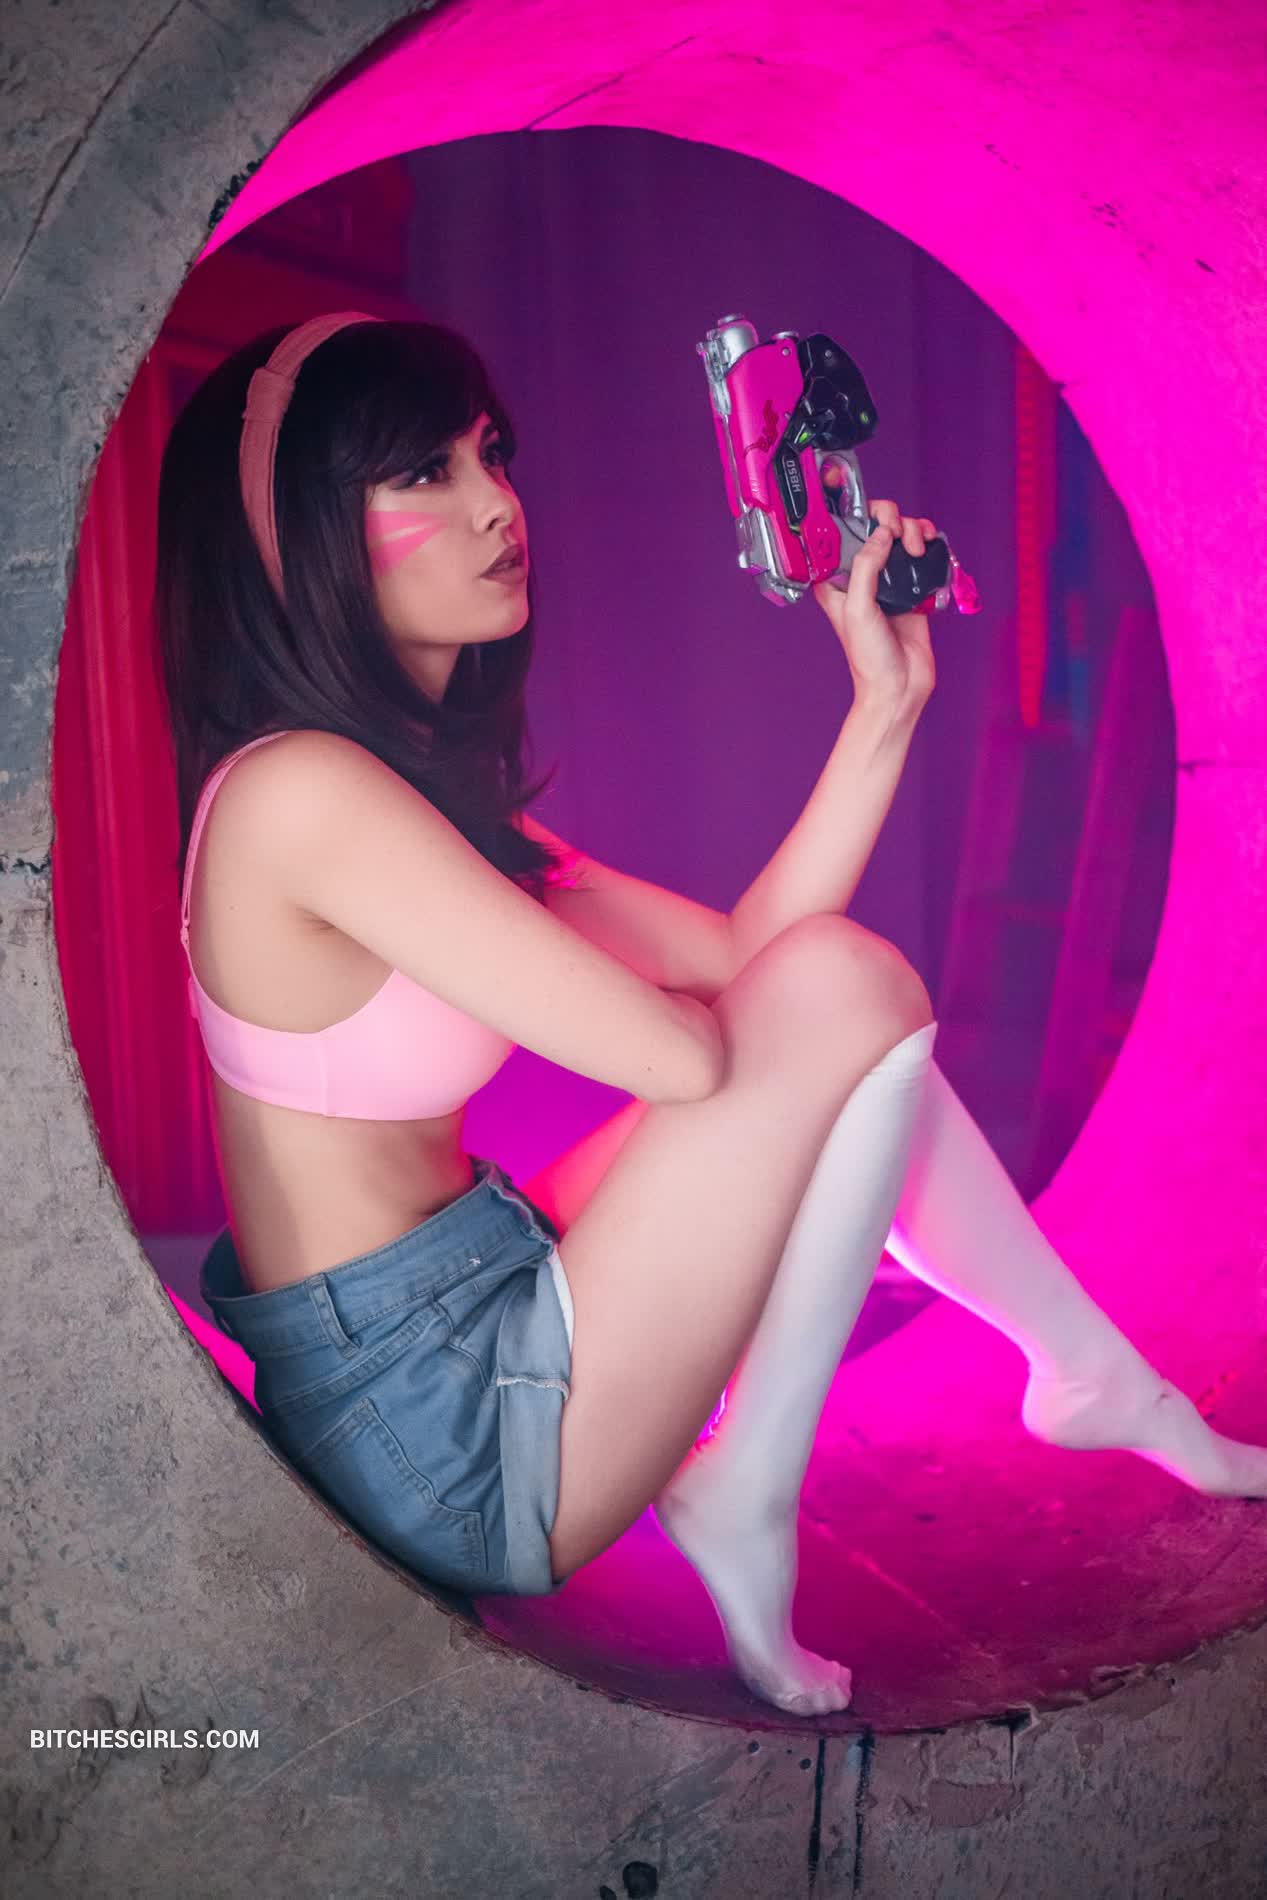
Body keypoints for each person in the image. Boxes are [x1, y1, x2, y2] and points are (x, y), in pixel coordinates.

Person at [157, 312, 1267, 1719]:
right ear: (296, 536)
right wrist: (769, 1020)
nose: (496, 504)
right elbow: (693, 1051)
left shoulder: (404, 798)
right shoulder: (299, 795)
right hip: (440, 1435)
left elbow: (743, 951)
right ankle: (756, 1479)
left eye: (490, 453)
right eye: (424, 473)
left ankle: (1089, 1374)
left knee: (850, 1034)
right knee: (842, 997)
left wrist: (885, 701)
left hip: (470, 1297)